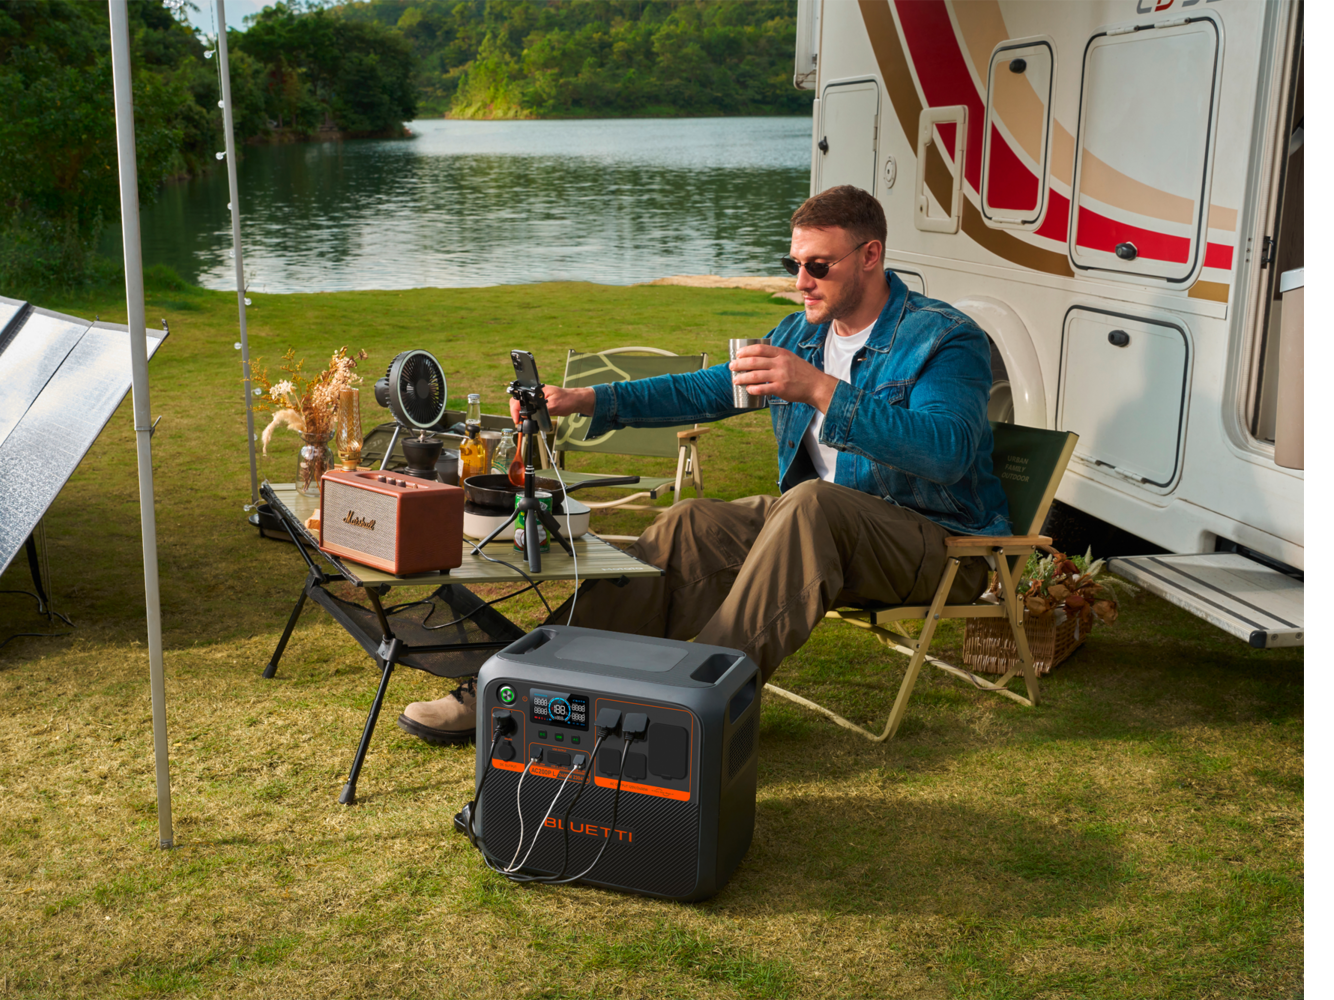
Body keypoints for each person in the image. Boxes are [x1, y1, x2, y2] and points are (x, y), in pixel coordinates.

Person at [395, 185, 1009, 746]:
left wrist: (822, 391)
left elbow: (947, 451)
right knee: (688, 524)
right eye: (792, 264)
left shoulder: (944, 338)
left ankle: (682, 712)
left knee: (810, 503)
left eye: (818, 266)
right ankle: (511, 687)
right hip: (820, 528)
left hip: (936, 545)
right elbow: (701, 390)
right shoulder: (802, 335)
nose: (801, 280)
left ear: (870, 256)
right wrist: (589, 400)